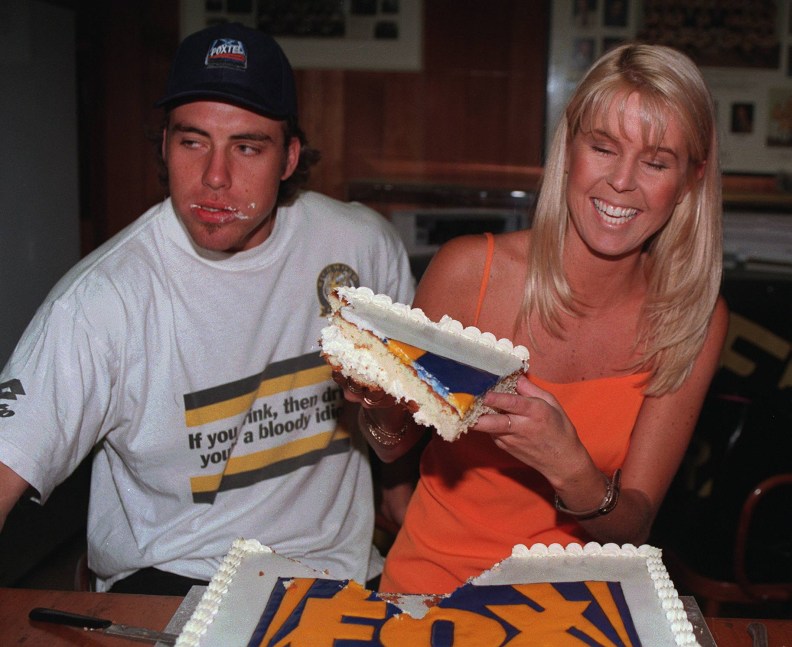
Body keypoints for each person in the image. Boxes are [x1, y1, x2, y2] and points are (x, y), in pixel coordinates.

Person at [0, 22, 413, 594]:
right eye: (192, 142)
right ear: (165, 145)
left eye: (247, 147)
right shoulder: (101, 300)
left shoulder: (363, 248)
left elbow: (399, 447)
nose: (215, 178)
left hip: (336, 577)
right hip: (174, 574)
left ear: (290, 157)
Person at [336, 42, 729, 594]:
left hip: (577, 605)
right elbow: (392, 445)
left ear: (692, 177)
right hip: (432, 591)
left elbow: (634, 529)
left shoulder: (695, 319)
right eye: (603, 148)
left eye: (657, 162)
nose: (621, 181)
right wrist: (380, 402)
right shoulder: (470, 271)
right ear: (570, 147)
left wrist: (572, 468)